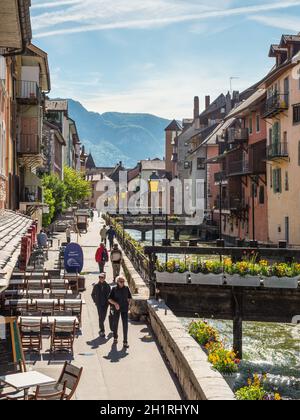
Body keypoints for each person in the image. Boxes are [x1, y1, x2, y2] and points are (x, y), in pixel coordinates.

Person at [108, 276, 132, 348]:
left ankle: (125, 342)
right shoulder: (114, 289)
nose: (122, 283)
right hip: (117, 309)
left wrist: (129, 303)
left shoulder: (126, 288)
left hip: (124, 309)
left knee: (125, 325)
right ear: (117, 282)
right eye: (120, 281)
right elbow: (109, 299)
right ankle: (115, 337)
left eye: (123, 281)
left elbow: (129, 297)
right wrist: (115, 304)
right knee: (115, 324)